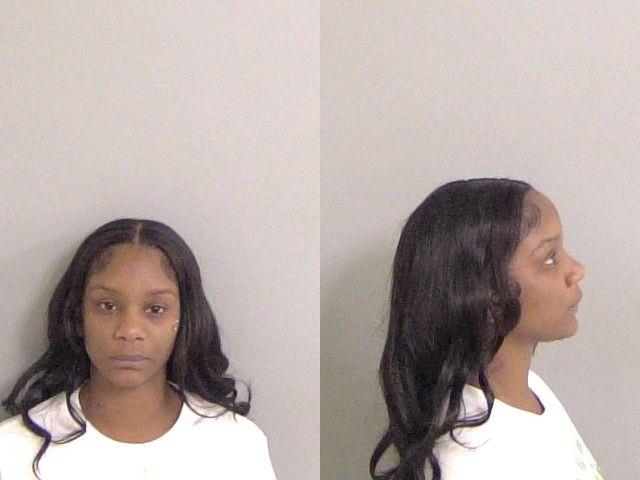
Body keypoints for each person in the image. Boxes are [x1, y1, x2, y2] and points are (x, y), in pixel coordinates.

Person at [0, 219, 277, 480]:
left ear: (184, 319)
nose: (129, 330)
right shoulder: (14, 449)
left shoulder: (235, 445)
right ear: (77, 315)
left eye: (155, 309)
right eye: (107, 306)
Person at [369, 179, 604, 480]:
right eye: (549, 258)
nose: (577, 270)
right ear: (484, 291)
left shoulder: (531, 391)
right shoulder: (468, 463)